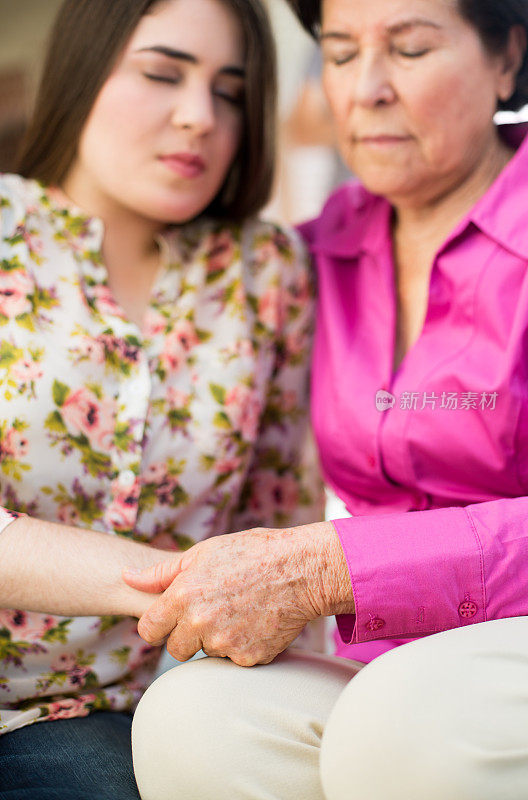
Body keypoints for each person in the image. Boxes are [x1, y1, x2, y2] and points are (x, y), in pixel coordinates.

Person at [126, 0, 528, 798]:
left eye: (410, 49)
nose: (365, 89)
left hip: (477, 648)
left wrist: (330, 569)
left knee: (405, 723)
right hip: (399, 651)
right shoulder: (316, 251)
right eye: (341, 54)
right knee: (198, 717)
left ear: (506, 59)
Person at [0, 0, 322, 797]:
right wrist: (205, 583)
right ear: (85, 70)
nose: (197, 118)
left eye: (229, 93)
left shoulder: (263, 272)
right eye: (161, 73)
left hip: (157, 711)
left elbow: (279, 510)